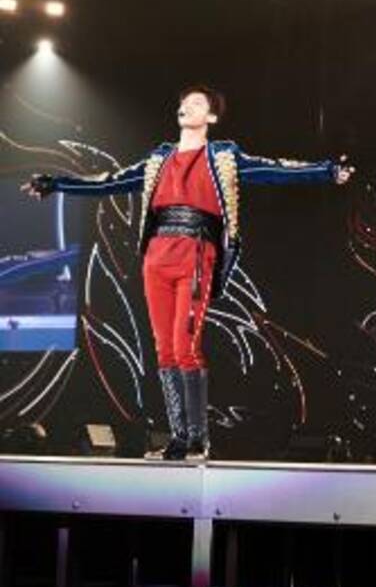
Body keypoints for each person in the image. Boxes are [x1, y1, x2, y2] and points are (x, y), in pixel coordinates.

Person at [22, 85, 353, 460]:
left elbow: (273, 169)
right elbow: (110, 181)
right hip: (156, 256)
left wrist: (328, 171)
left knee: (185, 347)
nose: (186, 106)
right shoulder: (158, 159)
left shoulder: (223, 156)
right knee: (164, 350)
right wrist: (56, 184)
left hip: (195, 252)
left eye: (196, 103)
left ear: (211, 117)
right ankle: (179, 438)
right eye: (183, 102)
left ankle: (197, 439)